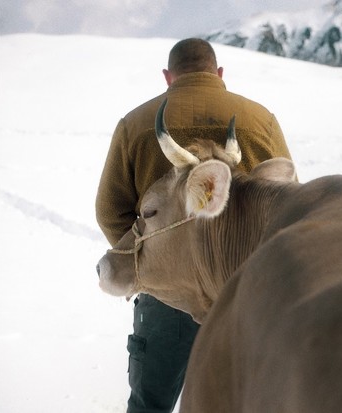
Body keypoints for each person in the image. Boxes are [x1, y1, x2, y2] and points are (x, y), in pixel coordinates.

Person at [95, 38, 294, 413]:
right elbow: (286, 198)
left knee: (149, 404)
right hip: (245, 294)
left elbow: (109, 211)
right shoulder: (260, 120)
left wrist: (149, 265)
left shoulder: (135, 123)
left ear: (169, 77)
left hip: (166, 294)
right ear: (218, 74)